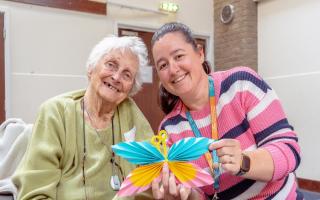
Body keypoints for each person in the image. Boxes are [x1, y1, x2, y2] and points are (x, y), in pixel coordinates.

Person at [151, 22, 302, 200]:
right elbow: (200, 194)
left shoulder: (241, 84)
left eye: (178, 56)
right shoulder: (169, 130)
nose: (173, 69)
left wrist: (244, 162)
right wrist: (184, 195)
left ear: (200, 54)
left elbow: (289, 150)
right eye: (163, 65)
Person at [12, 36, 154, 200]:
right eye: (111, 65)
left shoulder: (130, 112)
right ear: (91, 68)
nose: (116, 77)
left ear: (131, 88)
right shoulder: (56, 113)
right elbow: (35, 193)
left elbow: (153, 169)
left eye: (127, 75)